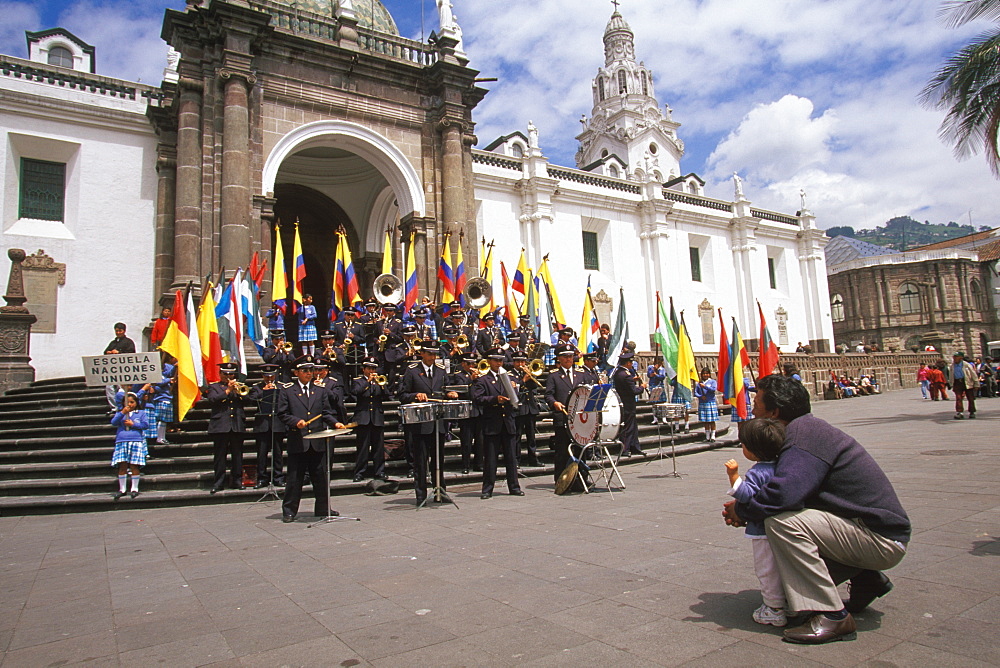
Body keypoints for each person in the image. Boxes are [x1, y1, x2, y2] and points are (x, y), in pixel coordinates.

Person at [722, 374, 910, 644]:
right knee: (788, 591)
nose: (752, 408)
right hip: (867, 531)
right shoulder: (805, 430)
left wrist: (743, 511)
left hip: (880, 538)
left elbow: (783, 495)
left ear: (774, 412)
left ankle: (832, 615)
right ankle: (866, 578)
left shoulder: (803, 436)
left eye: (756, 402)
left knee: (782, 523)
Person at [724, 417, 787, 627]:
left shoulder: (758, 472)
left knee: (766, 568)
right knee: (782, 566)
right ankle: (787, 601)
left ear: (753, 450)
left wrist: (734, 476)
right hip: (784, 526)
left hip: (762, 530)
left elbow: (745, 494)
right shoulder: (783, 467)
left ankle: (773, 608)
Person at [277, 356, 346, 522]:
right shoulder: (287, 390)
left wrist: (336, 424)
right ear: (297, 373)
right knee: (295, 478)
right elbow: (282, 413)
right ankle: (289, 511)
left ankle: (323, 508)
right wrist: (296, 422)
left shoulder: (320, 390)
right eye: (305, 371)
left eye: (311, 370)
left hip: (317, 441)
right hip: (299, 440)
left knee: (321, 477)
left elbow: (326, 413)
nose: (309, 374)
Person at [397, 341, 458, 505]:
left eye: (434, 354)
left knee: (438, 460)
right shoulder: (412, 371)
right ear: (422, 353)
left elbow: (446, 388)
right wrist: (415, 395)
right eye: (429, 354)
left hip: (438, 422)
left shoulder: (440, 370)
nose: (432, 357)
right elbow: (402, 394)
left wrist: (450, 393)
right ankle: (420, 494)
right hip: (420, 423)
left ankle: (440, 490)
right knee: (420, 461)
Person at [472, 348, 524, 499]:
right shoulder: (483, 380)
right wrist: (495, 399)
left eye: (501, 360)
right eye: (495, 360)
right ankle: (487, 489)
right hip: (492, 423)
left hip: (508, 421)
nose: (498, 363)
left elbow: (516, 398)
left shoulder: (507, 377)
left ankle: (514, 486)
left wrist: (515, 389)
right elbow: (478, 398)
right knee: (490, 459)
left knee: (511, 457)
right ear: (489, 362)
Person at [545, 344, 591, 489]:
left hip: (579, 419)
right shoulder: (554, 376)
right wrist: (554, 403)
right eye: (565, 356)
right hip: (563, 418)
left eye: (570, 356)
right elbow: (548, 395)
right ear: (559, 358)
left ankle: (581, 479)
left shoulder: (581, 374)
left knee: (580, 450)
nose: (568, 359)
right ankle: (561, 480)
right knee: (562, 450)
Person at [205, 362, 251, 493]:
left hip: (236, 425)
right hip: (220, 426)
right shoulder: (215, 387)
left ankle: (237, 480)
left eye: (231, 374)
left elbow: (248, 400)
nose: (229, 376)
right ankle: (218, 482)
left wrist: (239, 392)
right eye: (225, 374)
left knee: (237, 455)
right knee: (220, 456)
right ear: (220, 374)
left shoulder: (239, 387)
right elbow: (212, 400)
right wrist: (228, 391)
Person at [351, 357, 389, 482]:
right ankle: (360, 472)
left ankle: (379, 471)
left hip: (377, 417)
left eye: (373, 368)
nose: (372, 371)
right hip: (363, 417)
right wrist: (368, 382)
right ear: (364, 369)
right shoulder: (358, 381)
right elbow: (355, 392)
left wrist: (382, 386)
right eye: (369, 369)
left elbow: (387, 395)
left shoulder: (379, 381)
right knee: (362, 447)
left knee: (378, 447)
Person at [248, 364, 285, 488]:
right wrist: (263, 392)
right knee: (262, 453)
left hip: (277, 424)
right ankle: (262, 478)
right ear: (262, 376)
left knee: (278, 453)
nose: (269, 379)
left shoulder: (282, 386)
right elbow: (250, 399)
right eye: (266, 376)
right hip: (262, 424)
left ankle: (278, 477)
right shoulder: (256, 387)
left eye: (271, 376)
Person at [448, 353, 483, 473]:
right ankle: (465, 465)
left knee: (480, 440)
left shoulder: (480, 375)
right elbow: (460, 389)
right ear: (463, 364)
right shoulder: (460, 376)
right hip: (466, 411)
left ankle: (478, 464)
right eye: (469, 364)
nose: (472, 366)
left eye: (474, 363)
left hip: (479, 411)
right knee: (466, 441)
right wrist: (471, 380)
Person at [111, 392, 149, 500]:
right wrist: (123, 412)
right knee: (122, 465)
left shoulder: (141, 413)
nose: (130, 405)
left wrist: (133, 424)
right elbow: (114, 422)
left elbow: (145, 425)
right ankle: (122, 489)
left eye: (132, 402)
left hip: (135, 439)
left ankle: (134, 488)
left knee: (134, 465)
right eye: (127, 403)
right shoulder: (121, 413)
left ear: (136, 403)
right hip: (122, 440)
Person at [512, 354, 543, 467]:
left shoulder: (528, 372)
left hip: (530, 408)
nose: (521, 364)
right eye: (518, 362)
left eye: (523, 362)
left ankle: (533, 459)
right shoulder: (511, 375)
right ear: (513, 362)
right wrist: (523, 380)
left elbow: (534, 387)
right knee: (517, 436)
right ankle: (516, 460)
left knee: (531, 436)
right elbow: (513, 389)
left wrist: (530, 375)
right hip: (519, 408)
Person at [613, 351, 645, 457]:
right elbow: (634, 391)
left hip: (623, 403)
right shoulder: (626, 375)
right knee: (628, 427)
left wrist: (633, 379)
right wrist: (642, 387)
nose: (631, 365)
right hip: (628, 404)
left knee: (632, 426)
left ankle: (634, 446)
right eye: (631, 363)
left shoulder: (619, 372)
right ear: (628, 363)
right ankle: (625, 448)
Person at [103, 322, 137, 410]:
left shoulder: (129, 342)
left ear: (124, 331)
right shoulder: (113, 343)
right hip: (112, 370)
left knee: (121, 388)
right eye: (117, 331)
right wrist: (109, 352)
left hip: (123, 370)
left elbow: (131, 354)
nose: (118, 333)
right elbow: (105, 352)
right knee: (109, 388)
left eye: (120, 331)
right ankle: (114, 407)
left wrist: (119, 353)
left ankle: (123, 406)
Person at [950, 351, 979, 419]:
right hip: (957, 382)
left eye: (956, 357)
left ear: (961, 358)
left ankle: (972, 412)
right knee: (958, 398)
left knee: (970, 398)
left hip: (967, 382)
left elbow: (973, 374)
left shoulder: (967, 365)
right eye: (954, 357)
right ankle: (960, 412)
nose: (954, 358)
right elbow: (951, 376)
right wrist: (951, 384)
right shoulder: (952, 366)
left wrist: (976, 383)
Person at [695, 367, 719, 442]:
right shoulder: (699, 383)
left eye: (707, 373)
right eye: (704, 374)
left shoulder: (712, 382)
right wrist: (700, 396)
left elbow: (713, 389)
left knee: (712, 420)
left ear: (709, 374)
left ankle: (713, 436)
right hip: (703, 403)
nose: (705, 375)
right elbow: (695, 392)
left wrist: (705, 387)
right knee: (705, 421)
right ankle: (707, 436)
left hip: (710, 402)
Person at [646, 356, 667, 423]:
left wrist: (656, 375)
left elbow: (662, 377)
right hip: (653, 385)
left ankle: (664, 418)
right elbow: (649, 375)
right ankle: (655, 418)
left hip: (660, 385)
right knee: (654, 402)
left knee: (662, 402)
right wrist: (654, 370)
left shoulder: (662, 369)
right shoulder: (650, 367)